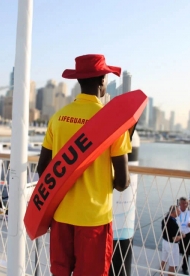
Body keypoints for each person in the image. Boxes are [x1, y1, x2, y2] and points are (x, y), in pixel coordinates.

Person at [37, 54, 132, 276]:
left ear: (79, 81)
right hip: (94, 220)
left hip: (61, 217)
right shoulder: (112, 121)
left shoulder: (58, 118)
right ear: (102, 82)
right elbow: (122, 182)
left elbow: (43, 170)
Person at [160, 205, 185, 276]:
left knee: (164, 260)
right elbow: (174, 238)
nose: (180, 212)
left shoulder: (164, 219)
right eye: (178, 211)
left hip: (165, 242)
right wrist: (182, 236)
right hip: (172, 245)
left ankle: (161, 274)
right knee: (173, 264)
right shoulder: (174, 224)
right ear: (174, 212)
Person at [177, 197, 190, 275]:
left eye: (186, 203)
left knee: (186, 251)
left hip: (187, 234)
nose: (185, 205)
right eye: (183, 203)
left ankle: (184, 268)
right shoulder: (176, 210)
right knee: (173, 250)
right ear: (179, 203)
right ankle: (172, 266)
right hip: (177, 233)